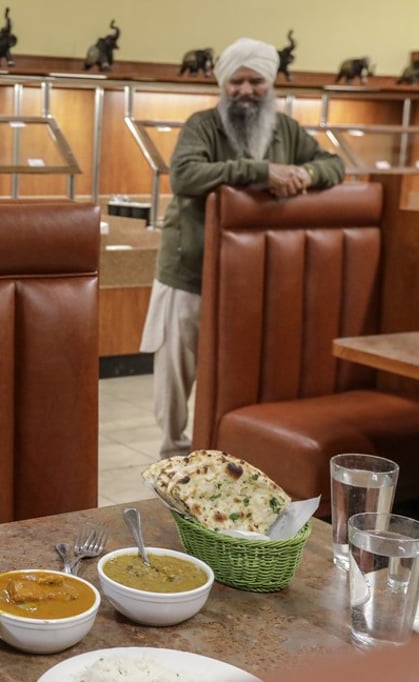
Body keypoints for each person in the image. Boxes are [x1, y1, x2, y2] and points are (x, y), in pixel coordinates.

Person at [140, 36, 345, 459]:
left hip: (254, 282)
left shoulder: (287, 129)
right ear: (223, 84)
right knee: (176, 375)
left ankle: (229, 452)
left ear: (270, 84)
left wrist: (304, 175)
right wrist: (261, 172)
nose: (246, 91)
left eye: (255, 81)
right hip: (190, 275)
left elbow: (334, 164)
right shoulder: (202, 125)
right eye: (236, 81)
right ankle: (173, 456)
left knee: (238, 373)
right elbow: (185, 176)